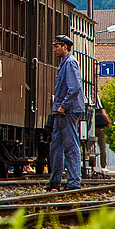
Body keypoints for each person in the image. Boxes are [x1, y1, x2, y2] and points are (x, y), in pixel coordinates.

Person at [48, 35, 84, 191]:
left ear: (65, 47)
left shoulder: (70, 63)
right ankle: (54, 183)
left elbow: (75, 87)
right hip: (61, 111)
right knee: (56, 146)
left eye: (57, 46)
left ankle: (74, 182)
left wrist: (64, 106)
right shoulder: (64, 63)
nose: (54, 49)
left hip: (67, 111)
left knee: (70, 146)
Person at [93, 105, 111, 173]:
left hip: (90, 127)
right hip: (99, 127)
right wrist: (108, 121)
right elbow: (104, 113)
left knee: (87, 147)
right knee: (102, 147)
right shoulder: (99, 102)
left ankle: (84, 163)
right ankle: (103, 166)